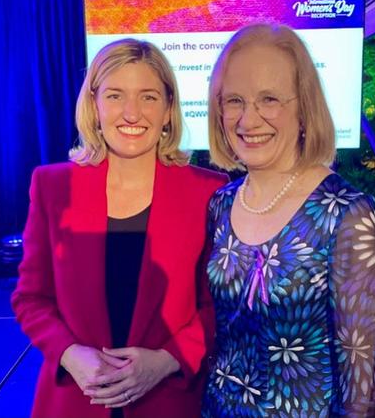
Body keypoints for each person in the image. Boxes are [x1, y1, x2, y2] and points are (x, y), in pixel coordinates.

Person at [12, 39, 227, 418]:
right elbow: (31, 299)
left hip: (169, 401)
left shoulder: (207, 191)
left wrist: (166, 361)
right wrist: (70, 354)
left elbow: (217, 307)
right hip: (75, 401)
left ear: (168, 110)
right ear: (94, 107)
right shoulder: (52, 187)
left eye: (147, 97)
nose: (131, 113)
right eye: (114, 96)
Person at [202, 24, 375, 417]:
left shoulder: (347, 214)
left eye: (269, 99)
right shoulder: (220, 204)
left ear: (304, 108)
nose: (247, 119)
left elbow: (362, 384)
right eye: (234, 100)